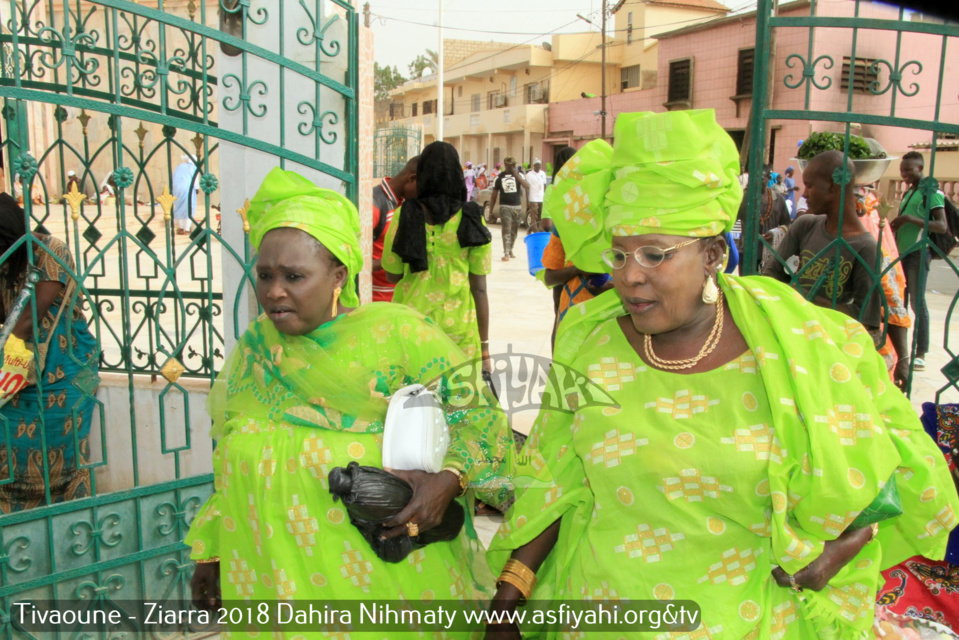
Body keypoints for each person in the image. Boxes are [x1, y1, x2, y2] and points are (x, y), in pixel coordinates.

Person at [486, 110, 958, 639]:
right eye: (618, 254)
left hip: (742, 619)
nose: (629, 274)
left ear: (712, 254)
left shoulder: (795, 345)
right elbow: (555, 480)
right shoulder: (590, 341)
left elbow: (881, 478)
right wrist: (510, 596)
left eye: (654, 253)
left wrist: (835, 553)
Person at [186, 167, 513, 619]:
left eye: (294, 277)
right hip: (265, 570)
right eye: (264, 276)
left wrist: (448, 481)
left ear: (338, 275)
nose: (273, 292)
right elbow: (228, 451)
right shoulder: (257, 348)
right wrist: (212, 552)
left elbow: (480, 418)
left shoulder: (397, 334)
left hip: (373, 576)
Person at [0, 194, 99, 513]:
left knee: (63, 455)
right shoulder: (4, 263)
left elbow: (25, 320)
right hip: (17, 370)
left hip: (63, 371)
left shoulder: (50, 252)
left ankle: (70, 530)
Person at [382, 141, 493, 367]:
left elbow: (392, 276)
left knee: (413, 399)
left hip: (411, 329)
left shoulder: (404, 215)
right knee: (457, 400)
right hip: (459, 333)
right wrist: (485, 348)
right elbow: (479, 288)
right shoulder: (471, 218)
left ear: (422, 175)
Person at [764, 151, 884, 337]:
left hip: (832, 342)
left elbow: (866, 318)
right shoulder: (805, 225)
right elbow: (772, 273)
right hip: (792, 333)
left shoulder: (865, 247)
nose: (804, 194)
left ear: (833, 187)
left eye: (810, 186)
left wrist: (803, 298)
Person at [890, 151, 947, 372]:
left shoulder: (930, 191)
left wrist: (908, 219)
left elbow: (941, 226)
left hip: (918, 253)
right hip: (902, 254)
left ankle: (920, 352)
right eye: (902, 170)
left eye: (908, 170)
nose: (904, 173)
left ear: (920, 169)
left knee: (917, 303)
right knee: (900, 302)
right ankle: (900, 351)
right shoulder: (910, 191)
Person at [857, 187, 912, 389]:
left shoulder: (873, 251)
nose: (806, 195)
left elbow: (894, 306)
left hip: (864, 352)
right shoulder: (808, 232)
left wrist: (904, 359)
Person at [371, 156, 417, 302]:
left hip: (399, 297)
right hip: (377, 300)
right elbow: (352, 262)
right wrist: (393, 260)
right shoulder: (373, 205)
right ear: (412, 179)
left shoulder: (403, 202)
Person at [734, 166, 791, 274]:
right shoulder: (745, 198)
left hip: (770, 254)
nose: (757, 182)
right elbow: (732, 219)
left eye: (761, 178)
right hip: (747, 253)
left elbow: (787, 224)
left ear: (768, 178)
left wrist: (775, 233)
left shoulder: (778, 199)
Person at [489, 157, 528, 261]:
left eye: (514, 165)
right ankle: (506, 252)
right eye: (512, 165)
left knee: (514, 231)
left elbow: (527, 186)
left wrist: (516, 175)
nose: (514, 167)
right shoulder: (499, 178)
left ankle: (510, 249)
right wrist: (490, 211)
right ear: (506, 165)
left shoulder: (519, 176)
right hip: (505, 206)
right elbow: (493, 196)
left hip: (517, 207)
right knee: (506, 229)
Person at [171, 155, 200, 235]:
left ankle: (181, 228)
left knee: (179, 206)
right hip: (188, 188)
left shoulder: (180, 167)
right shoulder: (193, 168)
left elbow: (174, 177)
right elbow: (195, 180)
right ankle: (187, 229)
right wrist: (197, 189)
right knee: (190, 207)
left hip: (177, 189)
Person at [525, 159, 548, 232]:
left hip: (541, 197)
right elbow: (527, 188)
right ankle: (535, 230)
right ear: (534, 166)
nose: (538, 167)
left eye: (539, 165)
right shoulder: (529, 175)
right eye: (537, 165)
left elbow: (544, 185)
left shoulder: (543, 174)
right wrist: (527, 199)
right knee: (534, 215)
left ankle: (538, 229)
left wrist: (545, 196)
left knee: (540, 215)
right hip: (533, 197)